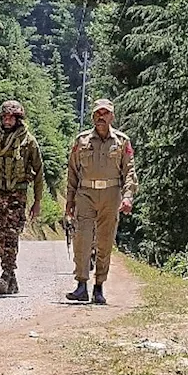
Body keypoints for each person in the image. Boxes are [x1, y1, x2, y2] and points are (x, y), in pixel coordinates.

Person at [64, 98, 138, 305]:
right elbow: (72, 171)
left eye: (105, 113)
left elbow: (129, 171)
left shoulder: (122, 142)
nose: (101, 117)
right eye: (97, 113)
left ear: (112, 116)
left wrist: (127, 197)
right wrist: (69, 200)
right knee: (82, 239)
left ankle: (99, 287)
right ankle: (81, 285)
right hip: (85, 193)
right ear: (93, 116)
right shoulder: (82, 141)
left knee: (105, 241)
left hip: (111, 194)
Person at [0, 100, 45, 296]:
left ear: (18, 119)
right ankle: (10, 277)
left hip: (17, 195)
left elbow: (39, 172)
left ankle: (6, 274)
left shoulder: (28, 141)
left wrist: (37, 201)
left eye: (10, 118)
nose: (7, 121)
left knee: (12, 234)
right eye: (4, 117)